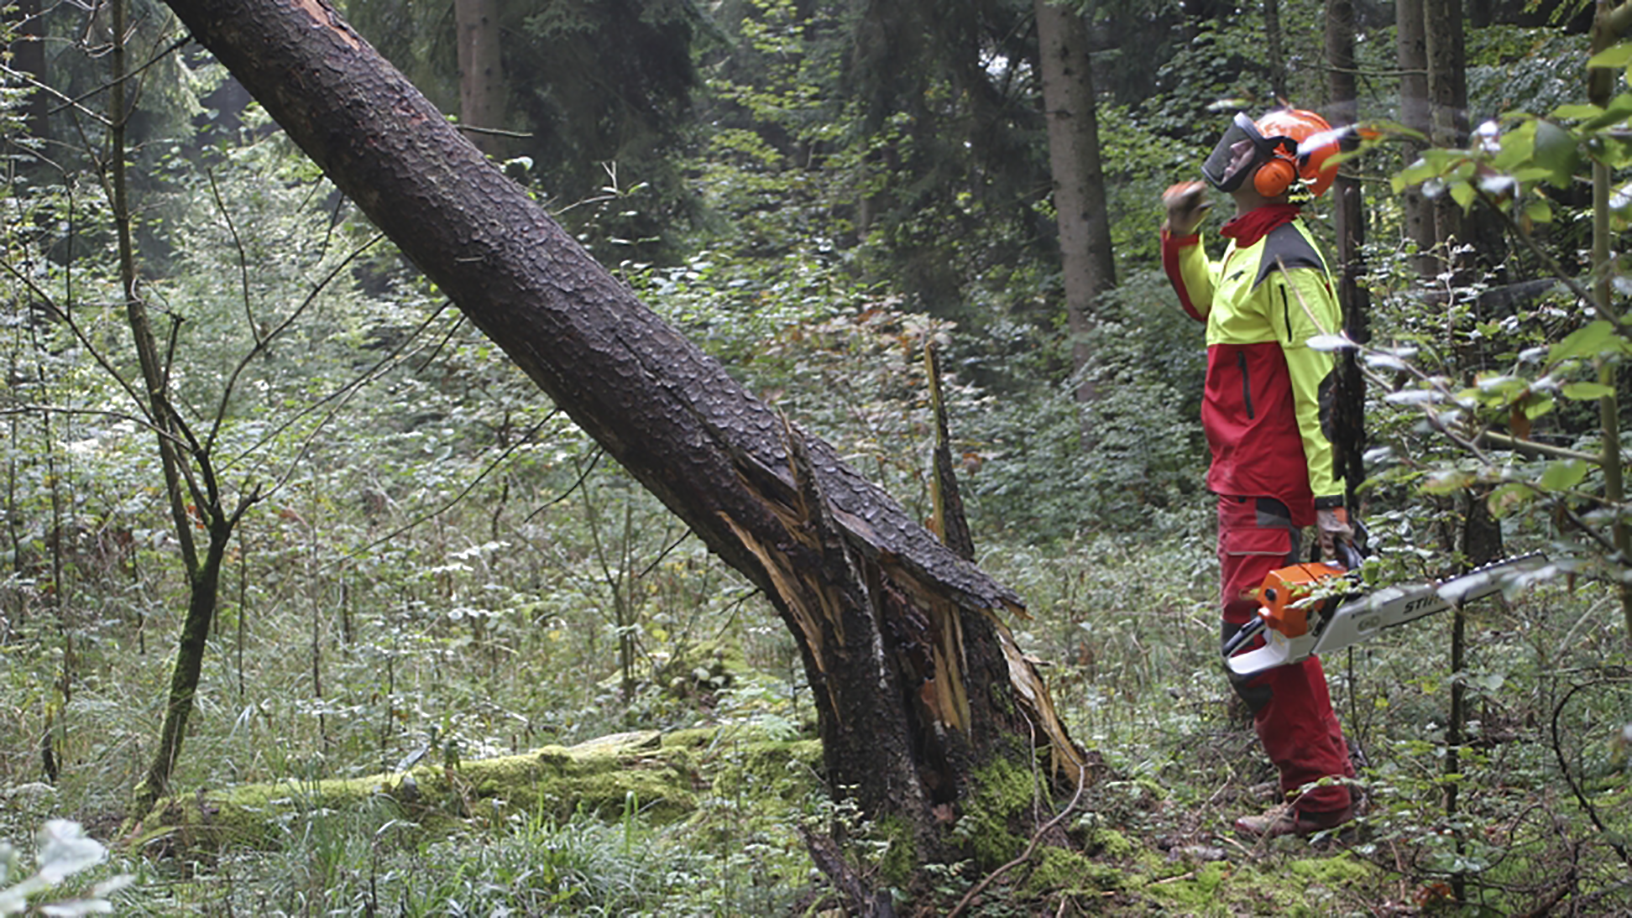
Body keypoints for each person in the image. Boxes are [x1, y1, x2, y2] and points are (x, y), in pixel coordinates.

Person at [1159, 107, 1359, 838]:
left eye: (1251, 148)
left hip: (1269, 479)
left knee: (1259, 639)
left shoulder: (1290, 259)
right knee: (1275, 635)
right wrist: (1182, 237)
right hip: (1242, 471)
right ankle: (1326, 788)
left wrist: (1333, 507)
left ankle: (1322, 800)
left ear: (1279, 169)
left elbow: (1324, 391)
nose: (1231, 154)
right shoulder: (1249, 245)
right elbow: (1210, 303)